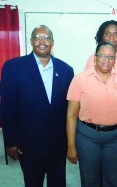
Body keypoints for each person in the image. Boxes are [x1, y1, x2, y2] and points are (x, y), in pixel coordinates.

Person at [1, 25, 74, 187]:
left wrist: (71, 143)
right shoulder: (13, 67)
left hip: (57, 145)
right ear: (31, 41)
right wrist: (10, 141)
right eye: (37, 37)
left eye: (46, 37)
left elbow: (70, 110)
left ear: (52, 42)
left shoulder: (66, 70)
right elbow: (8, 107)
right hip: (29, 145)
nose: (42, 41)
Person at [66, 41, 117, 187]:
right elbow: (71, 115)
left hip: (115, 138)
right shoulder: (80, 79)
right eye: (102, 56)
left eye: (111, 57)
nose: (106, 60)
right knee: (90, 179)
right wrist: (71, 145)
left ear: (115, 61)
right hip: (87, 137)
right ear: (94, 58)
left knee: (113, 179)